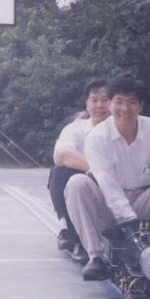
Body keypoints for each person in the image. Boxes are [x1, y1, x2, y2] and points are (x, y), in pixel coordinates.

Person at [64, 72, 150, 280]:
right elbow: (107, 185)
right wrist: (130, 224)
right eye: (119, 102)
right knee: (76, 183)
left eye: (132, 102)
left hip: (144, 200)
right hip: (108, 206)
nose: (125, 109)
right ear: (110, 104)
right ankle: (95, 256)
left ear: (140, 106)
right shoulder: (97, 137)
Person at [48, 78, 110, 263]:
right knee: (60, 172)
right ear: (87, 103)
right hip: (86, 186)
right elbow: (61, 154)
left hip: (119, 190)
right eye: (94, 100)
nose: (99, 105)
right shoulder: (75, 128)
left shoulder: (123, 128)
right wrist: (98, 172)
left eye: (105, 99)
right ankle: (77, 238)